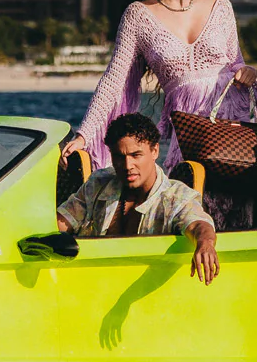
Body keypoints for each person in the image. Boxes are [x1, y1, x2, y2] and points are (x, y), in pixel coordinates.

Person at [61, 0, 257, 173]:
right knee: (193, 189)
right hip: (191, 132)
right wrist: (84, 135)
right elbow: (113, 81)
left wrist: (247, 71)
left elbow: (236, 62)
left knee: (249, 191)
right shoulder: (138, 15)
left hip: (239, 122)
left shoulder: (220, 6)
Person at [57, 114, 219, 285]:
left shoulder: (175, 196)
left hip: (148, 289)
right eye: (119, 157)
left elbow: (198, 224)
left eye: (136, 155)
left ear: (155, 151)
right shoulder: (99, 183)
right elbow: (61, 221)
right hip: (97, 283)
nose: (127, 166)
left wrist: (205, 243)